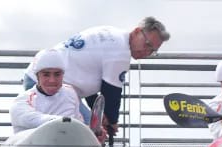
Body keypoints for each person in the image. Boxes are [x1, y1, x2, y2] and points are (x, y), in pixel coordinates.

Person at [23, 19, 169, 137]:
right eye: (147, 44)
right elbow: (111, 91)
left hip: (43, 80)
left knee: (87, 132)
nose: (147, 52)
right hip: (49, 84)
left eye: (153, 50)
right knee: (88, 135)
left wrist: (101, 117)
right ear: (137, 32)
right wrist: (111, 121)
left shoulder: (112, 34)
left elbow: (88, 80)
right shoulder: (121, 52)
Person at [10, 49, 87, 133]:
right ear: (37, 76)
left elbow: (80, 124)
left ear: (63, 75)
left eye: (57, 74)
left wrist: (92, 134)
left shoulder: (70, 93)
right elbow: (34, 120)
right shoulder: (21, 101)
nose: (52, 80)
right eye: (46, 74)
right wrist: (65, 121)